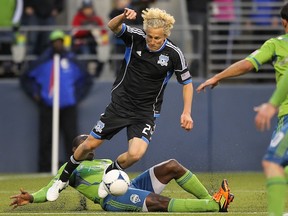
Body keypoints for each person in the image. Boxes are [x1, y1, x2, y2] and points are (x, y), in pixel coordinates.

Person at [46, 7, 194, 201]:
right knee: (89, 144)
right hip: (120, 105)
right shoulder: (135, 37)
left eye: (157, 38)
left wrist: (186, 112)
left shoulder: (174, 54)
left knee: (135, 154)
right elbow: (112, 26)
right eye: (150, 36)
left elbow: (187, 83)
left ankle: (108, 175)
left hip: (145, 112)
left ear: (165, 35)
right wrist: (123, 17)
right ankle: (62, 179)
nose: (152, 41)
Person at [196, 3, 288, 216]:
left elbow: (248, 64)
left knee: (273, 162)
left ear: (283, 22)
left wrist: (218, 76)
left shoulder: (276, 44)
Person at [10, 134, 234, 213]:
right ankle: (213, 206)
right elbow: (52, 187)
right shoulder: (71, 168)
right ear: (74, 151)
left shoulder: (105, 161)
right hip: (112, 199)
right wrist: (31, 197)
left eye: (90, 145)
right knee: (157, 202)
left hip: (130, 187)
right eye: (84, 146)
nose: (89, 147)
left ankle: (212, 199)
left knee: (172, 165)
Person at [20, 30, 93, 172]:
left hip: (68, 106)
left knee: (72, 138)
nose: (58, 44)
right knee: (46, 138)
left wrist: (76, 96)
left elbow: (87, 80)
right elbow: (26, 78)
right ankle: (44, 168)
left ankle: (73, 169)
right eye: (55, 42)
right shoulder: (43, 61)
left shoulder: (72, 60)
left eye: (61, 41)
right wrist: (36, 94)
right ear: (51, 43)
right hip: (48, 105)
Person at [71, 0, 109, 78]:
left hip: (94, 44)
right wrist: (87, 29)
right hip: (82, 44)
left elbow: (104, 32)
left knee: (102, 59)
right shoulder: (78, 18)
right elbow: (74, 32)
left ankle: (95, 76)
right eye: (86, 8)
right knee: (86, 57)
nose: (88, 10)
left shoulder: (96, 18)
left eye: (89, 8)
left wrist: (101, 38)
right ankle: (85, 77)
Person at [0, 0, 23, 77]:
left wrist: (14, 22)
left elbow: (19, 7)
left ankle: (7, 70)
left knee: (7, 48)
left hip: (9, 26)